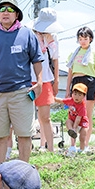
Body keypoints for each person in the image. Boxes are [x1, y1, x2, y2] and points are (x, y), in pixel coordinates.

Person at [0, 0, 43, 163]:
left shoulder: (27, 34)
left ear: (17, 14)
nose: (6, 12)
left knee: (24, 135)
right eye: (2, 9)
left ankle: (23, 172)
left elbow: (37, 60)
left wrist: (40, 82)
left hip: (22, 92)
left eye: (10, 9)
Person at [65, 26, 95, 143]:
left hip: (90, 82)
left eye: (85, 38)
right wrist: (67, 90)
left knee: (87, 115)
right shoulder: (73, 53)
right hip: (76, 82)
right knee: (73, 114)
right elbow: (70, 74)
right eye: (80, 39)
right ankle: (72, 145)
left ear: (90, 39)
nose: (83, 41)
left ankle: (85, 144)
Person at [32, 8, 62, 152]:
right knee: (23, 115)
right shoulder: (29, 33)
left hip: (45, 79)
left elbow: (55, 59)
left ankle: (50, 149)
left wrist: (56, 80)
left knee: (45, 116)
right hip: (27, 78)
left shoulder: (53, 37)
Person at [57, 82, 90, 153]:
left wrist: (75, 127)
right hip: (72, 120)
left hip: (82, 123)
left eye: (79, 95)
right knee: (68, 122)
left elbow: (78, 119)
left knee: (82, 137)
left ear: (84, 96)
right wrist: (52, 98)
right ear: (72, 94)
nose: (76, 97)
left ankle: (82, 149)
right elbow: (61, 101)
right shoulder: (70, 100)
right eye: (75, 94)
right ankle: (72, 145)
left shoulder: (82, 106)